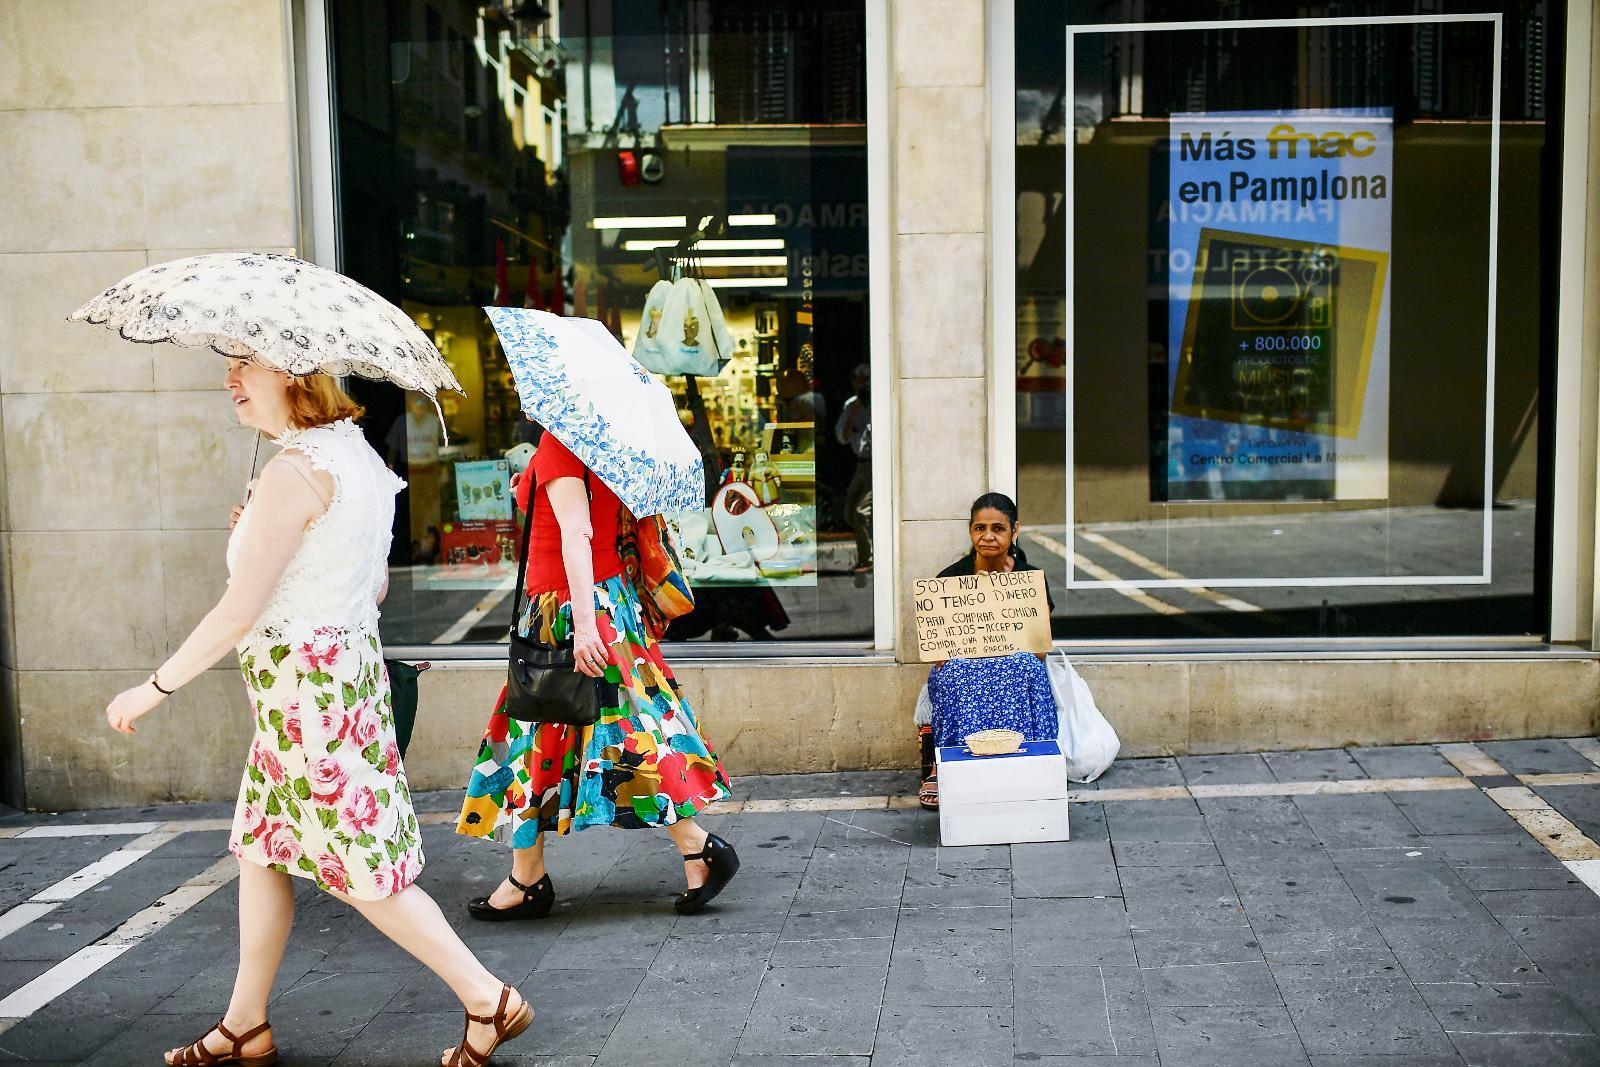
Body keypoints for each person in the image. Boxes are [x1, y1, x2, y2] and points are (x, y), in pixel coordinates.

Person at [103, 360, 530, 1067]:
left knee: (361, 867)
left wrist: (153, 686)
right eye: (229, 363)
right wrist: (263, 531)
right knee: (262, 846)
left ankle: (488, 998)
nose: (230, 378)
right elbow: (376, 583)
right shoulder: (354, 457)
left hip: (305, 700)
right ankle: (245, 1022)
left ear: (295, 373)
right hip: (336, 686)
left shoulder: (294, 470)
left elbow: (240, 610)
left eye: (247, 364)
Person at [455, 431, 738, 918]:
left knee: (557, 729)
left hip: (567, 610)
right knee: (622, 729)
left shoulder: (563, 443)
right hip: (603, 602)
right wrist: (533, 486)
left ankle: (694, 847)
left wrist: (584, 624)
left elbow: (576, 532)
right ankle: (533, 873)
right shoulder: (601, 440)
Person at [915, 492, 1057, 809]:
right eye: (980, 528)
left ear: (1014, 531)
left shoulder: (1029, 580)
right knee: (953, 675)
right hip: (963, 663)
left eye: (998, 528)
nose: (988, 536)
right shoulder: (950, 580)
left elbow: (1039, 652)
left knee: (1026, 669)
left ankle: (1032, 761)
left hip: (1015, 661)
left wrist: (1000, 602)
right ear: (970, 531)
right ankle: (945, 764)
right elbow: (940, 655)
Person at [834, 364, 872, 574]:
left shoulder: (879, 401)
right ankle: (870, 546)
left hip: (875, 465)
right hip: (861, 465)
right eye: (860, 380)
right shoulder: (852, 405)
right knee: (850, 511)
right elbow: (841, 436)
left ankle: (868, 558)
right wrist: (855, 411)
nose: (863, 384)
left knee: (860, 512)